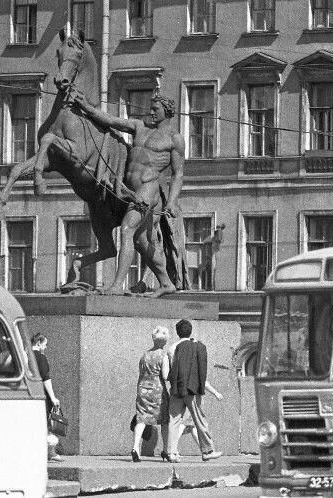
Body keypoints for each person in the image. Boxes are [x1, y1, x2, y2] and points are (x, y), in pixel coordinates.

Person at [73, 90, 185, 297]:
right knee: (142, 242)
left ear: (167, 111)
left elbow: (178, 174)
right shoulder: (139, 127)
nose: (151, 113)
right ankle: (166, 283)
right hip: (129, 190)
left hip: (148, 188)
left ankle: (116, 286)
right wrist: (85, 107)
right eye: (151, 109)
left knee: (126, 230)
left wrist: (171, 203)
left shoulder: (174, 139)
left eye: (155, 109)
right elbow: (109, 120)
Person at [166, 319, 222, 463]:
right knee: (199, 419)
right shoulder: (195, 346)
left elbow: (169, 370)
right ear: (190, 331)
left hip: (176, 389)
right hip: (191, 389)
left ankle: (171, 453)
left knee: (174, 421)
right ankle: (207, 450)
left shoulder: (172, 348)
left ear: (177, 332)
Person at [132, 326, 171, 462]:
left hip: (143, 388)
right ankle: (166, 450)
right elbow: (165, 376)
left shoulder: (145, 355)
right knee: (164, 420)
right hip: (157, 390)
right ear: (165, 341)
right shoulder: (163, 356)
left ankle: (135, 448)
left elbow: (140, 372)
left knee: (141, 419)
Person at [32, 332, 62, 462]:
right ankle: (50, 452)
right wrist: (53, 397)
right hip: (42, 395)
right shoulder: (41, 358)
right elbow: (46, 378)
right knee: (46, 425)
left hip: (30, 394)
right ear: (38, 343)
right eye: (45, 344)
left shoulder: (25, 355)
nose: (46, 347)